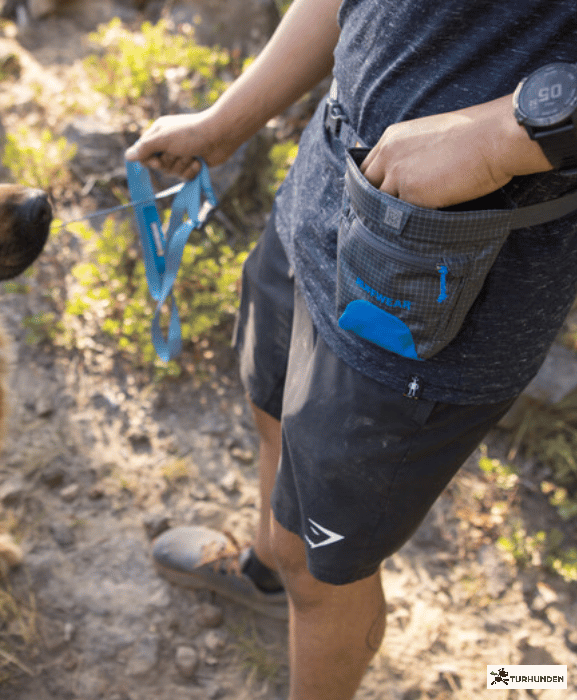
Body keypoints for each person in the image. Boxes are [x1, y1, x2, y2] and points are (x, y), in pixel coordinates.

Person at [125, 1, 577, 698]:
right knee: (271, 405)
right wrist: (227, 122)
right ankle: (269, 578)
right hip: (325, 184)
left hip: (447, 276)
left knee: (324, 562)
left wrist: (506, 135)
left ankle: (309, 589)